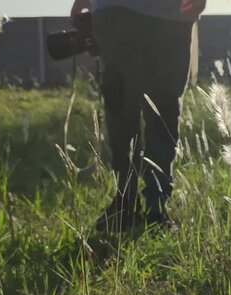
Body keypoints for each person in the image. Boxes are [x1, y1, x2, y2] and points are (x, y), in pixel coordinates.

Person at [70, 0, 206, 232]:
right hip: (151, 13)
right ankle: (145, 207)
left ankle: (144, 207)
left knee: (142, 109)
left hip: (153, 14)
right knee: (149, 109)